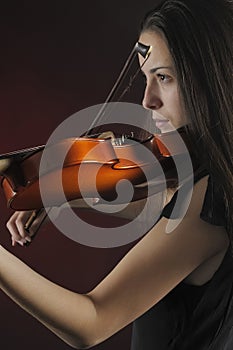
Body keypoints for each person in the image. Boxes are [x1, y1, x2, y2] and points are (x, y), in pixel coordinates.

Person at [1, 0, 233, 348]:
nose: (147, 100)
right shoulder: (204, 174)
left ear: (212, 76)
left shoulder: (211, 203)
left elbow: (91, 322)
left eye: (164, 77)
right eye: (145, 77)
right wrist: (63, 196)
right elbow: (159, 204)